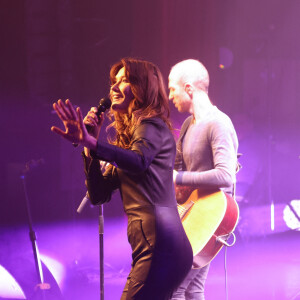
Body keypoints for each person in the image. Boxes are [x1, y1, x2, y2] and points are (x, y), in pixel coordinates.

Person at [51, 58, 193, 300]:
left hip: (160, 247)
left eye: (124, 80)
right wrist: (89, 149)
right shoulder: (134, 141)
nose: (113, 88)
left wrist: (93, 143)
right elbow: (99, 194)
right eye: (113, 83)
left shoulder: (152, 126)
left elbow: (138, 160)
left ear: (142, 87)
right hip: (159, 246)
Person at [168, 59, 239, 300]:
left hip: (211, 219)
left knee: (174, 288)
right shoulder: (188, 124)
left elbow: (225, 174)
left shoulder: (218, 123)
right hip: (193, 217)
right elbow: (174, 169)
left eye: (172, 88)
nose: (169, 96)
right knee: (192, 289)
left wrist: (180, 177)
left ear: (188, 88)